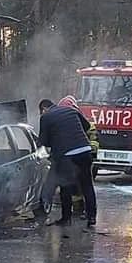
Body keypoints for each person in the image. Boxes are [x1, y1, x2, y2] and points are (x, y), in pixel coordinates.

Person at [39, 96, 98, 227]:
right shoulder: (71, 110)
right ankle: (92, 217)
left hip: (66, 155)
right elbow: (86, 125)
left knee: (65, 185)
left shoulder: (45, 117)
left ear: (44, 109)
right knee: (87, 185)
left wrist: (56, 138)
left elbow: (44, 141)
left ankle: (66, 218)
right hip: (84, 151)